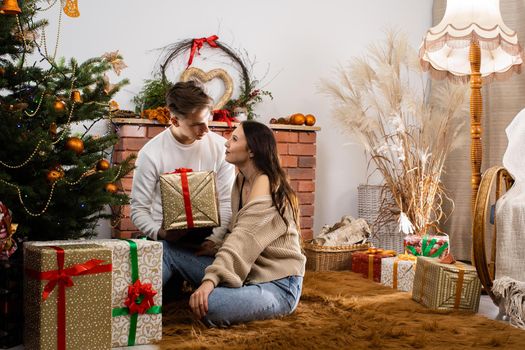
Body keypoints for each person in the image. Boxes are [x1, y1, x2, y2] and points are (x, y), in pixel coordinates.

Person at [162, 120, 306, 327]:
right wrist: (214, 246)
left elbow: (244, 239)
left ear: (252, 151)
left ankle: (223, 291)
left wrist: (209, 281)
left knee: (210, 304)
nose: (226, 143)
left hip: (278, 285)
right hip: (247, 272)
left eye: (235, 139)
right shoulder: (241, 181)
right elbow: (235, 230)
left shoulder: (266, 184)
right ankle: (140, 304)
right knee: (168, 251)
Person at [130, 80, 235, 256]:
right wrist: (161, 233)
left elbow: (227, 203)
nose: (206, 129)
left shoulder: (221, 148)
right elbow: (138, 209)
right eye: (197, 124)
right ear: (175, 120)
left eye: (207, 119)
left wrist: (214, 240)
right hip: (165, 241)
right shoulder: (150, 153)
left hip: (210, 239)